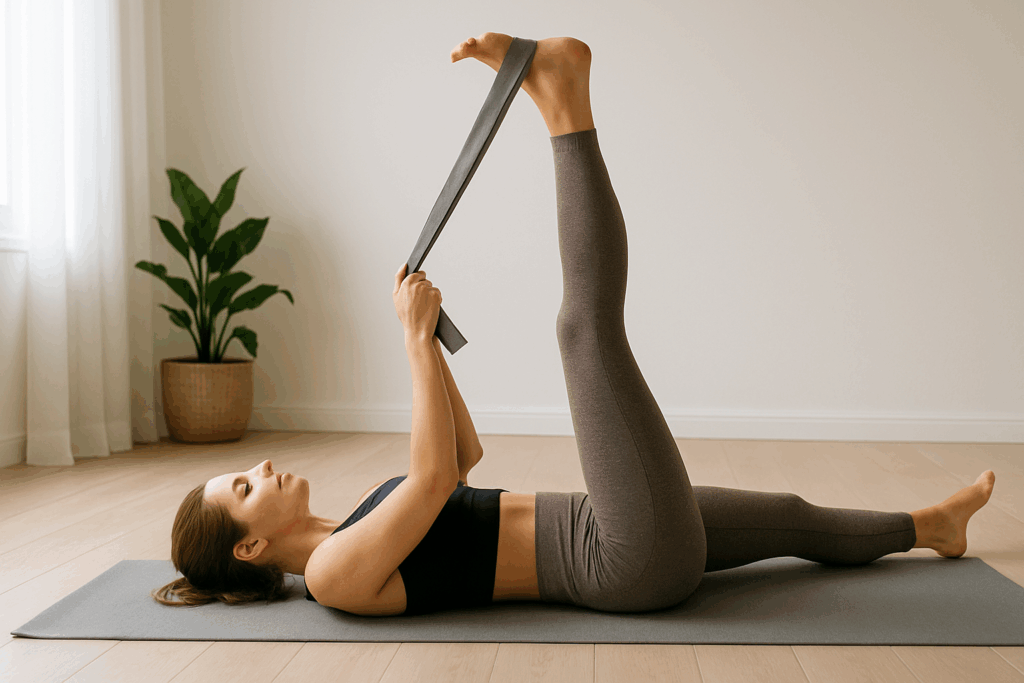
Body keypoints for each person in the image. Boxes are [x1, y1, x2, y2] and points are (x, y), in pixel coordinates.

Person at [154, 33, 996, 615]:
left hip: (606, 520)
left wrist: (432, 339)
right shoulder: (335, 573)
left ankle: (931, 526)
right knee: (584, 331)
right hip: (619, 560)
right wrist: (413, 342)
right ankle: (564, 99)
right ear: (253, 548)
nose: (257, 468)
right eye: (240, 489)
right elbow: (434, 479)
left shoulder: (351, 524)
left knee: (786, 512)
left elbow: (464, 454)